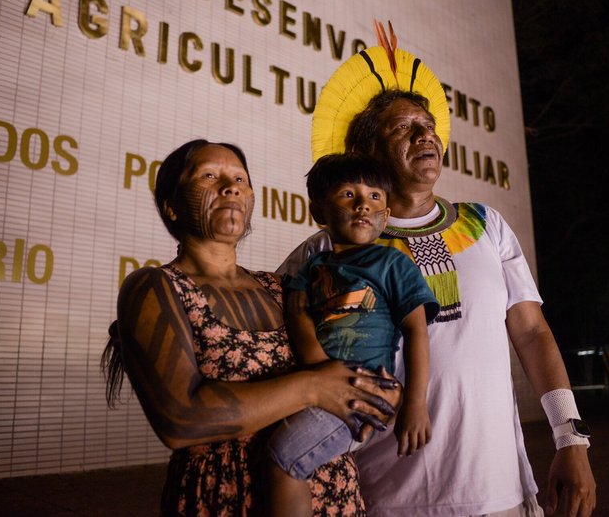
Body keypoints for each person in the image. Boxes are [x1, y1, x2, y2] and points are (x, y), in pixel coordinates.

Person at [279, 28, 597, 517]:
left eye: (427, 126)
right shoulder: (328, 247)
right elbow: (271, 335)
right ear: (368, 153)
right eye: (403, 128)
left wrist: (569, 436)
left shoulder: (487, 225)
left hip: (497, 494)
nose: (425, 135)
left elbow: (532, 333)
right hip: (381, 496)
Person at [101, 139, 400, 516]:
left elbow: (346, 366)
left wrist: (378, 394)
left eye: (240, 178)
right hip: (225, 498)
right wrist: (312, 388)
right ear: (171, 206)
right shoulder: (155, 287)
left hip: (333, 495)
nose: (231, 187)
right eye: (209, 176)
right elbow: (181, 418)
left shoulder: (282, 288)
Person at [266, 153, 439, 515]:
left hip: (363, 394)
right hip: (319, 386)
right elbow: (297, 315)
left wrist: (415, 404)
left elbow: (417, 332)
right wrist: (319, 369)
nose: (363, 204)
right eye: (348, 194)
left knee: (282, 455)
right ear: (319, 212)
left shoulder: (393, 264)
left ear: (386, 215)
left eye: (375, 196)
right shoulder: (311, 266)